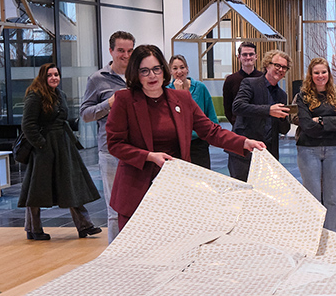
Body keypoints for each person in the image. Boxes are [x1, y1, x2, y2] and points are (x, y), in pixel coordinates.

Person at [106, 45, 266, 232]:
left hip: (174, 188)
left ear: (163, 70)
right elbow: (115, 144)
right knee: (139, 246)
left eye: (156, 69)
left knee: (174, 242)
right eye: (144, 71)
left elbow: (211, 131)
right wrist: (149, 156)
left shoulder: (181, 98)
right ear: (136, 73)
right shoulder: (124, 99)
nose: (152, 76)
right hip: (137, 188)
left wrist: (244, 142)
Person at [19, 64, 102, 240]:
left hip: (63, 145)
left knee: (71, 184)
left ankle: (85, 225)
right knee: (37, 190)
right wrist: (41, 145)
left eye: (56, 74)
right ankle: (33, 229)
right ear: (43, 77)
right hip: (44, 149)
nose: (54, 78)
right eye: (49, 75)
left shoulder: (60, 94)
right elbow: (28, 124)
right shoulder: (35, 95)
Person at [80, 30, 134, 242]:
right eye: (121, 50)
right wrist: (108, 104)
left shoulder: (140, 75)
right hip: (111, 151)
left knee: (140, 206)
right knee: (115, 209)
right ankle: (115, 255)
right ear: (111, 51)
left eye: (130, 51)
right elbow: (85, 114)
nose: (126, 55)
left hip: (139, 150)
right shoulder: (97, 79)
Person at [295, 57, 336, 232]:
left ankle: (332, 237)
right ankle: (313, 237)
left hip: (335, 150)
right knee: (313, 198)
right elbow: (306, 125)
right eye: (316, 72)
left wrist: (319, 120)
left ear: (329, 73)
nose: (320, 76)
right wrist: (333, 120)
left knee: (332, 199)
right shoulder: (302, 96)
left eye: (323, 72)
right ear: (310, 75)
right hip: (308, 150)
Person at [231, 50, 292, 181]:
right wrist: (268, 110)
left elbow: (284, 130)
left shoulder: (282, 95)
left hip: (268, 153)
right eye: (277, 65)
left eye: (284, 67)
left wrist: (283, 119)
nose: (280, 69)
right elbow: (237, 107)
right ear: (267, 65)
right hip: (245, 152)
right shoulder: (250, 83)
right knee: (242, 190)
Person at [167, 54, 219, 169]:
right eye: (175, 68)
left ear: (187, 69)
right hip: (177, 144)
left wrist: (210, 138)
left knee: (202, 176)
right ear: (170, 71)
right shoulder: (167, 91)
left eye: (182, 67)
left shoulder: (200, 88)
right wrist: (179, 93)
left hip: (198, 143)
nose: (179, 71)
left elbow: (210, 113)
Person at [222, 41, 262, 127]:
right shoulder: (230, 80)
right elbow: (227, 107)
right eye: (244, 54)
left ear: (256, 56)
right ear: (239, 57)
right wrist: (236, 123)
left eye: (251, 54)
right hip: (239, 128)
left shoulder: (263, 78)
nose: (248, 57)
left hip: (261, 127)